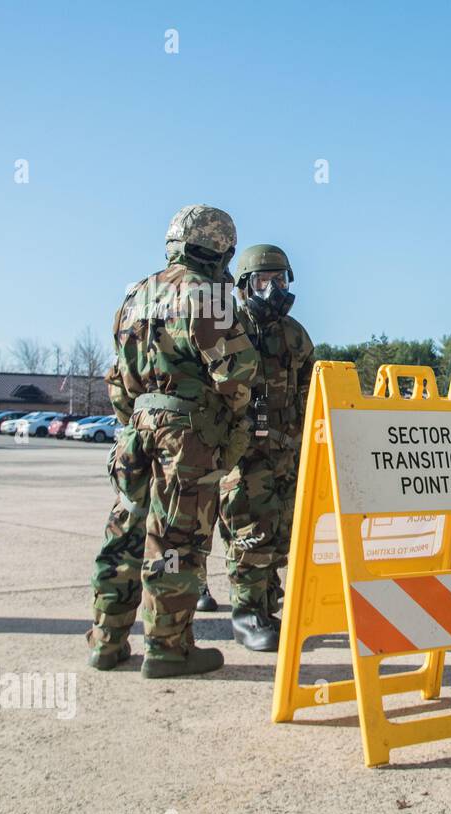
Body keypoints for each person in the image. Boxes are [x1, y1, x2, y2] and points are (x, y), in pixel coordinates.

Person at [86, 205, 259, 677]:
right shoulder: (210, 294)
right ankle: (168, 648)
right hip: (186, 437)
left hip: (135, 431)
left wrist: (137, 418)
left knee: (124, 535)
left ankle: (107, 641)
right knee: (175, 544)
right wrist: (233, 421)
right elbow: (237, 371)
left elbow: (117, 380)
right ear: (223, 247)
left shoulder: (135, 294)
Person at [202, 244, 315, 652]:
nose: (276, 288)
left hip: (285, 451)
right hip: (243, 452)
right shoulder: (230, 327)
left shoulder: (295, 334)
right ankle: (247, 614)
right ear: (247, 285)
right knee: (250, 532)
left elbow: (309, 393)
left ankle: (268, 606)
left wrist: (305, 440)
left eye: (281, 279)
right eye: (266, 280)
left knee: (281, 533)